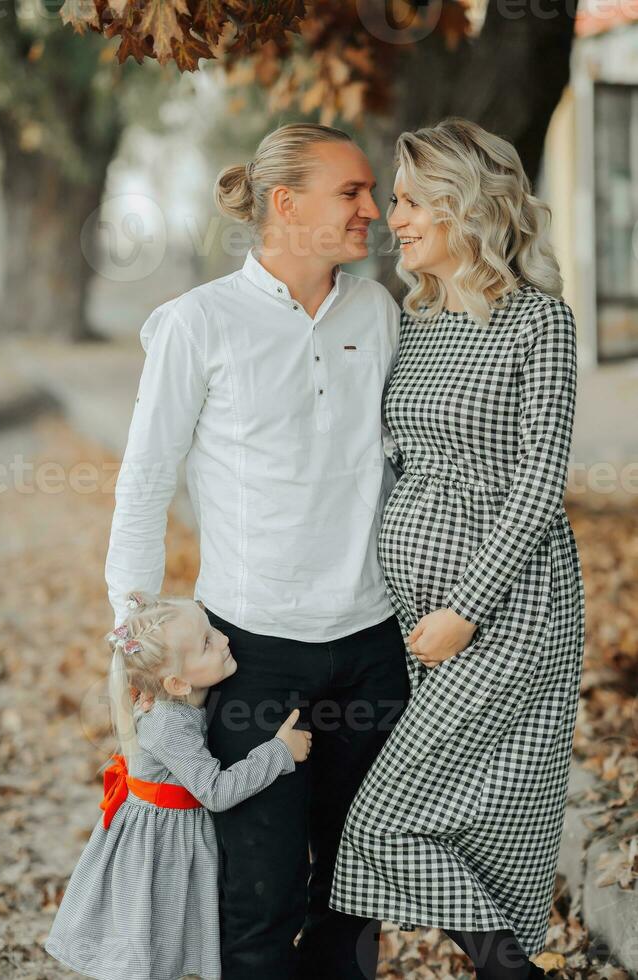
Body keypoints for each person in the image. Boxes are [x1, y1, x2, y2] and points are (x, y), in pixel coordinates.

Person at [104, 123, 411, 980]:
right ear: (286, 204)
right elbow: (145, 484)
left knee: (353, 896)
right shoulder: (195, 323)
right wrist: (134, 640)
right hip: (251, 656)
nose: (373, 209)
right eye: (351, 192)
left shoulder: (377, 309)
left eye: (370, 192)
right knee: (259, 903)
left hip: (372, 649)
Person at [329, 117, 586, 980]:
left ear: (465, 205)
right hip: (418, 617)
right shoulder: (419, 316)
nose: (390, 217)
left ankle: (510, 969)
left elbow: (539, 484)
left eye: (408, 200)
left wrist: (465, 610)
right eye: (393, 200)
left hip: (506, 610)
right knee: (465, 813)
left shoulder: (538, 322)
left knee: (384, 820)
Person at [44, 590, 310, 980]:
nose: (224, 640)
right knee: (153, 941)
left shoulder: (173, 698)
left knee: (168, 941)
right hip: (161, 844)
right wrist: (279, 752)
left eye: (213, 632)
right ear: (177, 682)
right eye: (207, 643)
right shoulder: (169, 724)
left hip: (176, 831)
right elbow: (216, 792)